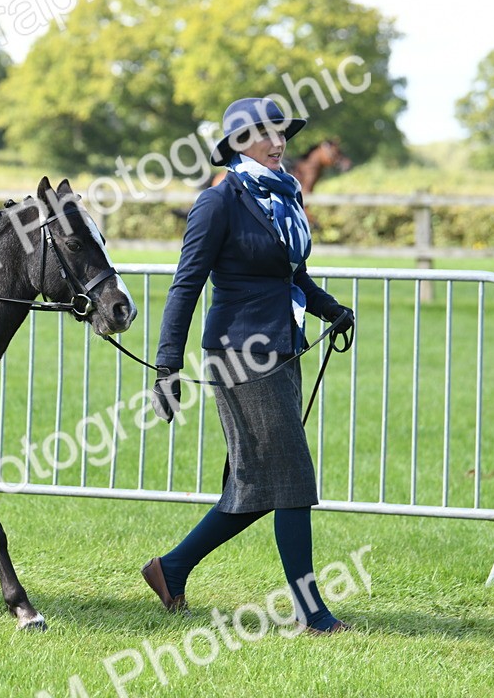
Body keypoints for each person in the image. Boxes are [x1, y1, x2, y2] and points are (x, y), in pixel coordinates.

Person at [142, 96, 355, 634]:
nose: (279, 143)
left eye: (282, 133)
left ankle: (170, 568)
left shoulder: (283, 194)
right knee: (292, 479)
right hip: (240, 354)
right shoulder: (219, 202)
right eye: (266, 134)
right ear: (240, 143)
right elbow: (185, 284)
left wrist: (329, 308)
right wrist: (167, 366)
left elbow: (290, 274)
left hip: (284, 344)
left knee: (259, 483)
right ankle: (313, 613)